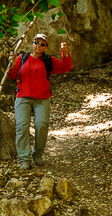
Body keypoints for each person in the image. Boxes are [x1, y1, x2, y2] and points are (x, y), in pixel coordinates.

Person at [7, 32, 72, 169]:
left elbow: (65, 68)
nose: (38, 46)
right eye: (36, 42)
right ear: (32, 43)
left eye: (42, 44)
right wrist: (12, 63)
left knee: (42, 125)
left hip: (42, 98)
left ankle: (37, 155)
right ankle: (24, 158)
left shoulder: (48, 61)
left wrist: (65, 54)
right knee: (22, 126)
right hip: (23, 97)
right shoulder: (22, 58)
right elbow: (12, 75)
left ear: (46, 48)